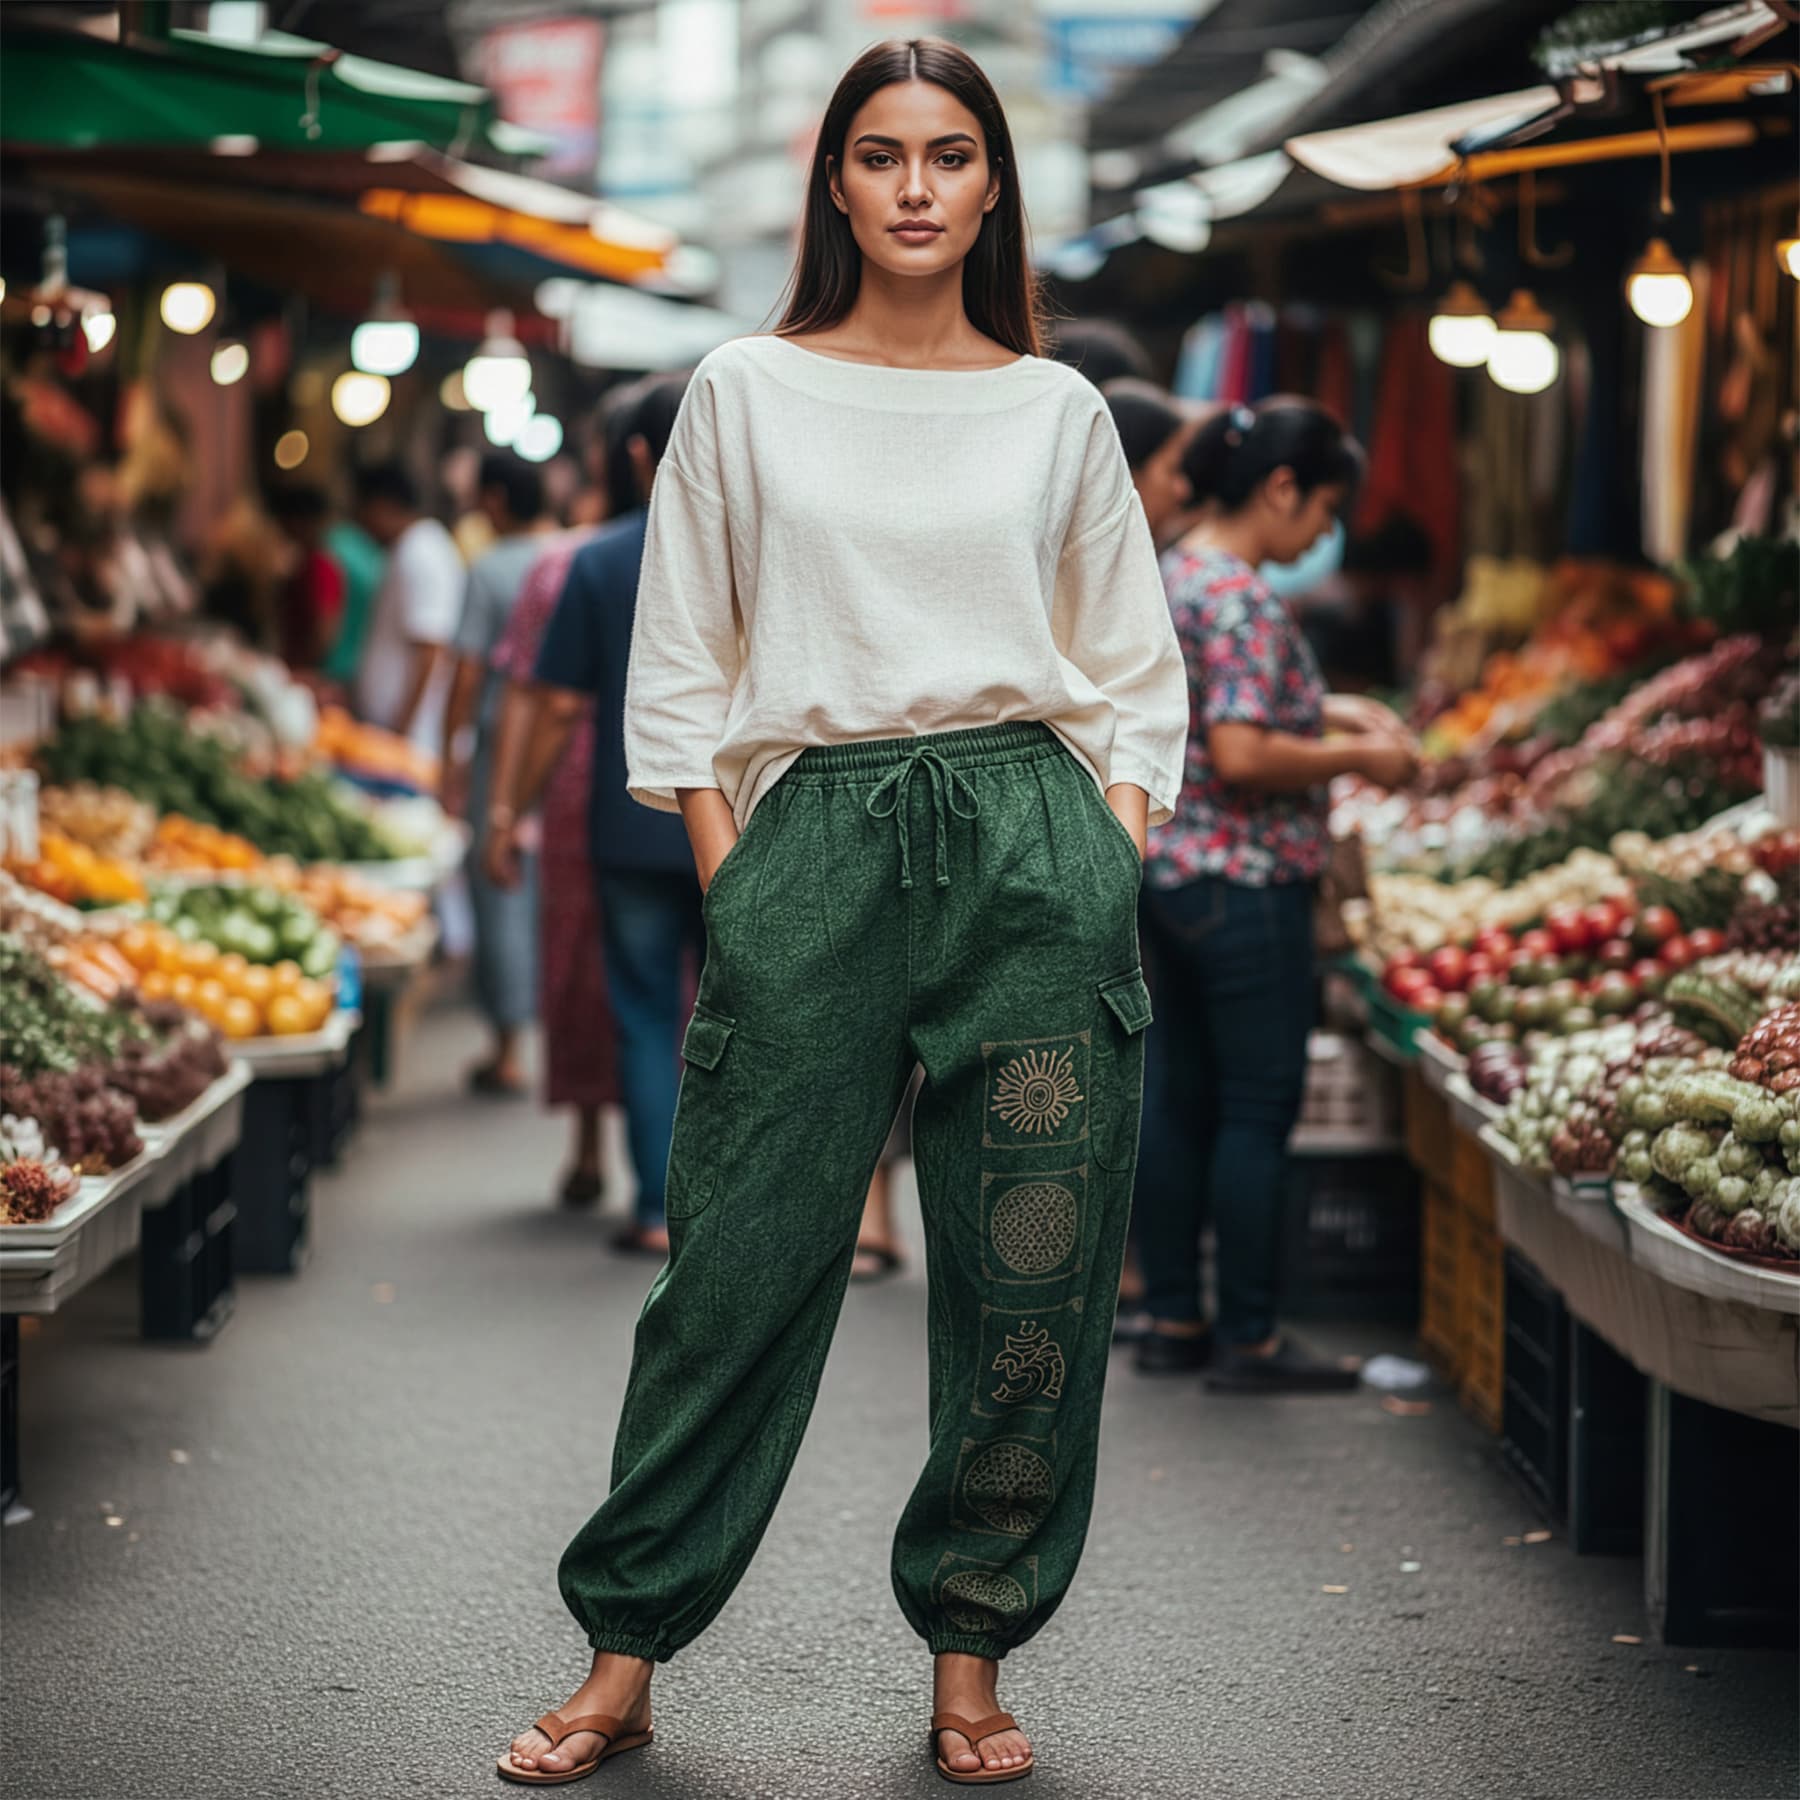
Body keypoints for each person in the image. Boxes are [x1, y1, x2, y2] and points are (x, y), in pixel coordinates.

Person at [498, 38, 1188, 1790]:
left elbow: (1132, 667)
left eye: (950, 155)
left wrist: (1105, 841)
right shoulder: (741, 385)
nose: (914, 186)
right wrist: (738, 866)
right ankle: (625, 1650)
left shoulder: (1056, 410)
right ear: (833, 181)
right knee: (733, 1263)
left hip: (1036, 833)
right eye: (879, 154)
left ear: (991, 186)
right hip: (813, 835)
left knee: (1028, 1270)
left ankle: (972, 1658)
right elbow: (683, 660)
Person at [1132, 399, 1419, 1391]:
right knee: (1256, 1108)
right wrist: (1363, 758)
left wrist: (1325, 705)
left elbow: (1218, 706)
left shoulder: (1174, 573)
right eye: (1326, 508)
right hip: (1246, 882)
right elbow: (1243, 749)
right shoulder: (1243, 600)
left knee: (1179, 1102)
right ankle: (1249, 1338)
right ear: (1282, 489)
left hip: (1167, 872)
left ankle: (1175, 1319)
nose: (1327, 536)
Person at [485, 376, 695, 1246]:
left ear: (638, 456)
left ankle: (655, 1212)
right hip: (755, 831)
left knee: (647, 1016)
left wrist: (506, 812)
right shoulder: (767, 556)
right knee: (739, 1026)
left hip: (631, 826)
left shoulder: (600, 560)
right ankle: (723, 1215)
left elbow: (557, 703)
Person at [441, 453, 557, 1097]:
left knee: (501, 881)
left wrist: (450, 751)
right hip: (571, 746)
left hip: (501, 746)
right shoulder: (571, 554)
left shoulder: (489, 569)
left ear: (497, 499)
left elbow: (467, 670)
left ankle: (509, 1045)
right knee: (552, 888)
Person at [350, 464, 462, 758]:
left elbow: (431, 648)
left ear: (382, 505)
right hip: (389, 731)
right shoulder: (409, 547)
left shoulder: (421, 551)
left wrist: (400, 734)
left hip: (409, 740)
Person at [267, 486, 345, 670]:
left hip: (310, 670)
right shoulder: (308, 562)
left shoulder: (320, 566)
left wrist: (302, 667)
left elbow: (324, 630)